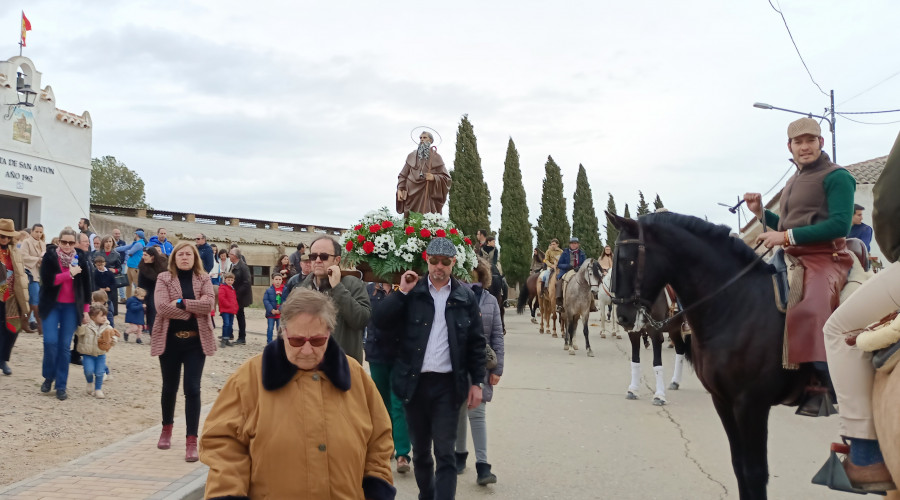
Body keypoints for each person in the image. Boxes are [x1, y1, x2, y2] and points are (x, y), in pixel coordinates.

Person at [199, 288, 395, 499]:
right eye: (297, 341)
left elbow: (380, 440)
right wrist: (229, 494)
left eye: (318, 340)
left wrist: (377, 487)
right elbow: (223, 445)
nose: (308, 350)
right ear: (283, 332)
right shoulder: (248, 379)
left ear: (329, 332)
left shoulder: (356, 376)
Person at [374, 237, 486, 500]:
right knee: (422, 453)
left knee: (445, 453)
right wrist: (401, 291)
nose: (439, 266)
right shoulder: (412, 291)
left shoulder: (464, 296)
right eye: (434, 260)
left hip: (448, 385)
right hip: (414, 385)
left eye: (445, 262)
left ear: (453, 263)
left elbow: (476, 343)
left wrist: (476, 383)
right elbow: (380, 321)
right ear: (427, 260)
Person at [744, 117, 855, 372]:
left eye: (810, 140)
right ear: (789, 146)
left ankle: (822, 380)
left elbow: (840, 226)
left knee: (813, 308)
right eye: (798, 142)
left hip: (825, 256)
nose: (804, 147)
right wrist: (761, 212)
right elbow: (786, 224)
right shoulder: (793, 180)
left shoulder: (837, 176)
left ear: (821, 142)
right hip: (791, 255)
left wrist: (785, 238)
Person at [822, 131, 900, 490]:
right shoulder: (796, 183)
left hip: (839, 256)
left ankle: (866, 452)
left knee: (835, 327)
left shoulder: (838, 181)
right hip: (800, 253)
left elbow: (888, 200)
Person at [151, 241, 216, 462]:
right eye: (181, 254)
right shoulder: (164, 278)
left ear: (195, 257)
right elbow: (161, 307)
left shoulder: (204, 278)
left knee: (193, 389)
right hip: (169, 341)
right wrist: (191, 310)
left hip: (195, 342)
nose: (185, 257)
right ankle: (166, 429)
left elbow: (208, 305)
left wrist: (180, 303)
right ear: (174, 258)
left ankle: (191, 440)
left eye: (189, 254)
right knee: (169, 387)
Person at [456, 257, 504, 485]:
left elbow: (497, 336)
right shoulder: (451, 296)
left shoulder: (491, 300)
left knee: (477, 413)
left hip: (480, 363)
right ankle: (459, 454)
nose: (469, 274)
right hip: (454, 363)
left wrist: (499, 368)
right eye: (465, 270)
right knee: (457, 412)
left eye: (473, 270)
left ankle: (483, 466)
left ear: (481, 273)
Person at [294, 236, 370, 364]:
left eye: (323, 256)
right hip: (308, 366)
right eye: (313, 256)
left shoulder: (353, 284)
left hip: (342, 367)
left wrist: (337, 288)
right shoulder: (300, 289)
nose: (317, 260)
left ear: (337, 260)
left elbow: (361, 320)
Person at [39, 227, 92, 400]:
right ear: (59, 242)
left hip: (71, 307)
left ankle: (61, 385)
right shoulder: (50, 257)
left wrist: (86, 311)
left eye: (71, 242)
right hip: (51, 305)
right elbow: (47, 281)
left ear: (75, 243)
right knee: (50, 342)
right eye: (64, 242)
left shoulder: (82, 259)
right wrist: (69, 274)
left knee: (64, 347)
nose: (67, 245)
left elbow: (87, 286)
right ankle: (49, 376)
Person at [365, 281, 411, 474]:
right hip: (377, 353)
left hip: (401, 354)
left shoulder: (408, 288)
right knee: (382, 404)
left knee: (399, 402)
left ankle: (402, 453)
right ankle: (387, 445)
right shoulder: (370, 290)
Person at [0, 219, 30, 375]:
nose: (4, 238)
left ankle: (3, 358)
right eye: (1, 235)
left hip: (11, 296)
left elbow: (21, 275)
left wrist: (25, 298)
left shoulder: (15, 252)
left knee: (13, 328)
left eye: (7, 236)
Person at [396, 131, 451, 216]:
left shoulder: (436, 157)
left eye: (424, 138)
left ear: (431, 141)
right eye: (420, 138)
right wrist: (400, 189)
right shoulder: (411, 156)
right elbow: (403, 175)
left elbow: (447, 179)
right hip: (411, 195)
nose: (422, 140)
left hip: (426, 192)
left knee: (426, 218)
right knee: (410, 220)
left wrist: (433, 177)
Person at [76, 303, 119, 399]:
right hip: (88, 354)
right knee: (88, 371)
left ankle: (98, 389)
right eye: (102, 316)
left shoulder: (107, 326)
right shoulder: (86, 325)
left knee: (100, 372)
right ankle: (90, 382)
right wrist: (81, 324)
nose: (104, 318)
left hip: (100, 354)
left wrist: (113, 341)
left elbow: (113, 336)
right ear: (93, 316)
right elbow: (78, 332)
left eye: (105, 315)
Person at [20, 223, 46, 335]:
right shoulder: (26, 242)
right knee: (35, 301)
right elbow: (23, 257)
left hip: (40, 274)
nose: (39, 234)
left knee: (33, 301)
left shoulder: (42, 243)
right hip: (30, 274)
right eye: (37, 231)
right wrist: (37, 259)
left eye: (41, 232)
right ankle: (40, 325)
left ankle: (24, 322)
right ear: (32, 231)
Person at [139, 247, 168, 335]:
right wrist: (142, 300)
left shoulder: (162, 265)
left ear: (152, 256)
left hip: (162, 293)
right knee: (151, 314)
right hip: (149, 293)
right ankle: (153, 335)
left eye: (145, 255)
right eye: (143, 255)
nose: (143, 257)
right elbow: (141, 285)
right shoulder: (142, 267)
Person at [93, 236, 123, 317]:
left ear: (113, 242)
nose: (108, 243)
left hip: (111, 280)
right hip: (100, 278)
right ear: (103, 243)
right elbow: (93, 265)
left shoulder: (117, 254)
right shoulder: (97, 253)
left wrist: (115, 270)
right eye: (106, 242)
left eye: (110, 241)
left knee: (111, 301)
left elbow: (120, 268)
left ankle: (111, 315)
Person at [228, 248, 253, 345]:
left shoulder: (243, 267)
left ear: (235, 256)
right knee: (232, 315)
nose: (228, 255)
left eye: (230, 254)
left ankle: (242, 337)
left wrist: (236, 293)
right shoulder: (232, 265)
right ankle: (229, 334)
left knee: (240, 315)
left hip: (240, 296)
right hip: (233, 295)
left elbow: (247, 282)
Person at [116, 229, 146, 299]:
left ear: (137, 235)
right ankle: (129, 299)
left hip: (135, 267)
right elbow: (126, 247)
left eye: (135, 234)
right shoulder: (136, 243)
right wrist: (115, 249)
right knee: (128, 284)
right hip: (130, 266)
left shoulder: (139, 244)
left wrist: (128, 252)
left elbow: (130, 252)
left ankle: (138, 299)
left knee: (137, 285)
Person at [556, 237, 587, 301]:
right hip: (567, 271)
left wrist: (579, 268)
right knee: (559, 282)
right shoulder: (565, 253)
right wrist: (568, 266)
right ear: (569, 245)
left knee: (588, 281)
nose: (573, 245)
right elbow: (559, 264)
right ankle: (560, 299)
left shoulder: (582, 253)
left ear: (578, 244)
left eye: (575, 243)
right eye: (572, 243)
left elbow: (585, 264)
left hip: (579, 271)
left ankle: (591, 302)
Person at [92, 256, 116, 325]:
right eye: (98, 265)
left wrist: (110, 288)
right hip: (98, 295)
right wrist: (99, 288)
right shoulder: (95, 273)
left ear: (104, 263)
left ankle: (110, 325)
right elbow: (93, 283)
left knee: (109, 311)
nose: (100, 267)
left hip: (108, 295)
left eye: (101, 265)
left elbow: (114, 283)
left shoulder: (109, 272)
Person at [263, 272, 284, 343]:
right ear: (273, 280)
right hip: (271, 314)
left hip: (280, 314)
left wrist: (280, 310)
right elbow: (266, 300)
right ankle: (269, 342)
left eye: (279, 279)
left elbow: (286, 300)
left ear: (282, 280)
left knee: (280, 329)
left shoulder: (285, 290)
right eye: (276, 279)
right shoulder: (269, 290)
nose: (278, 281)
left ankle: (280, 343)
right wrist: (271, 309)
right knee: (270, 328)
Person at [218, 272, 238, 347]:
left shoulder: (232, 289)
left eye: (231, 280)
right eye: (228, 280)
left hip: (231, 310)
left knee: (230, 324)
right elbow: (221, 298)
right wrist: (228, 305)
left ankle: (227, 339)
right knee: (226, 324)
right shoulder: (223, 288)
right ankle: (223, 339)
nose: (230, 281)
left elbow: (234, 299)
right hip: (225, 310)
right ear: (225, 280)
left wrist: (235, 307)